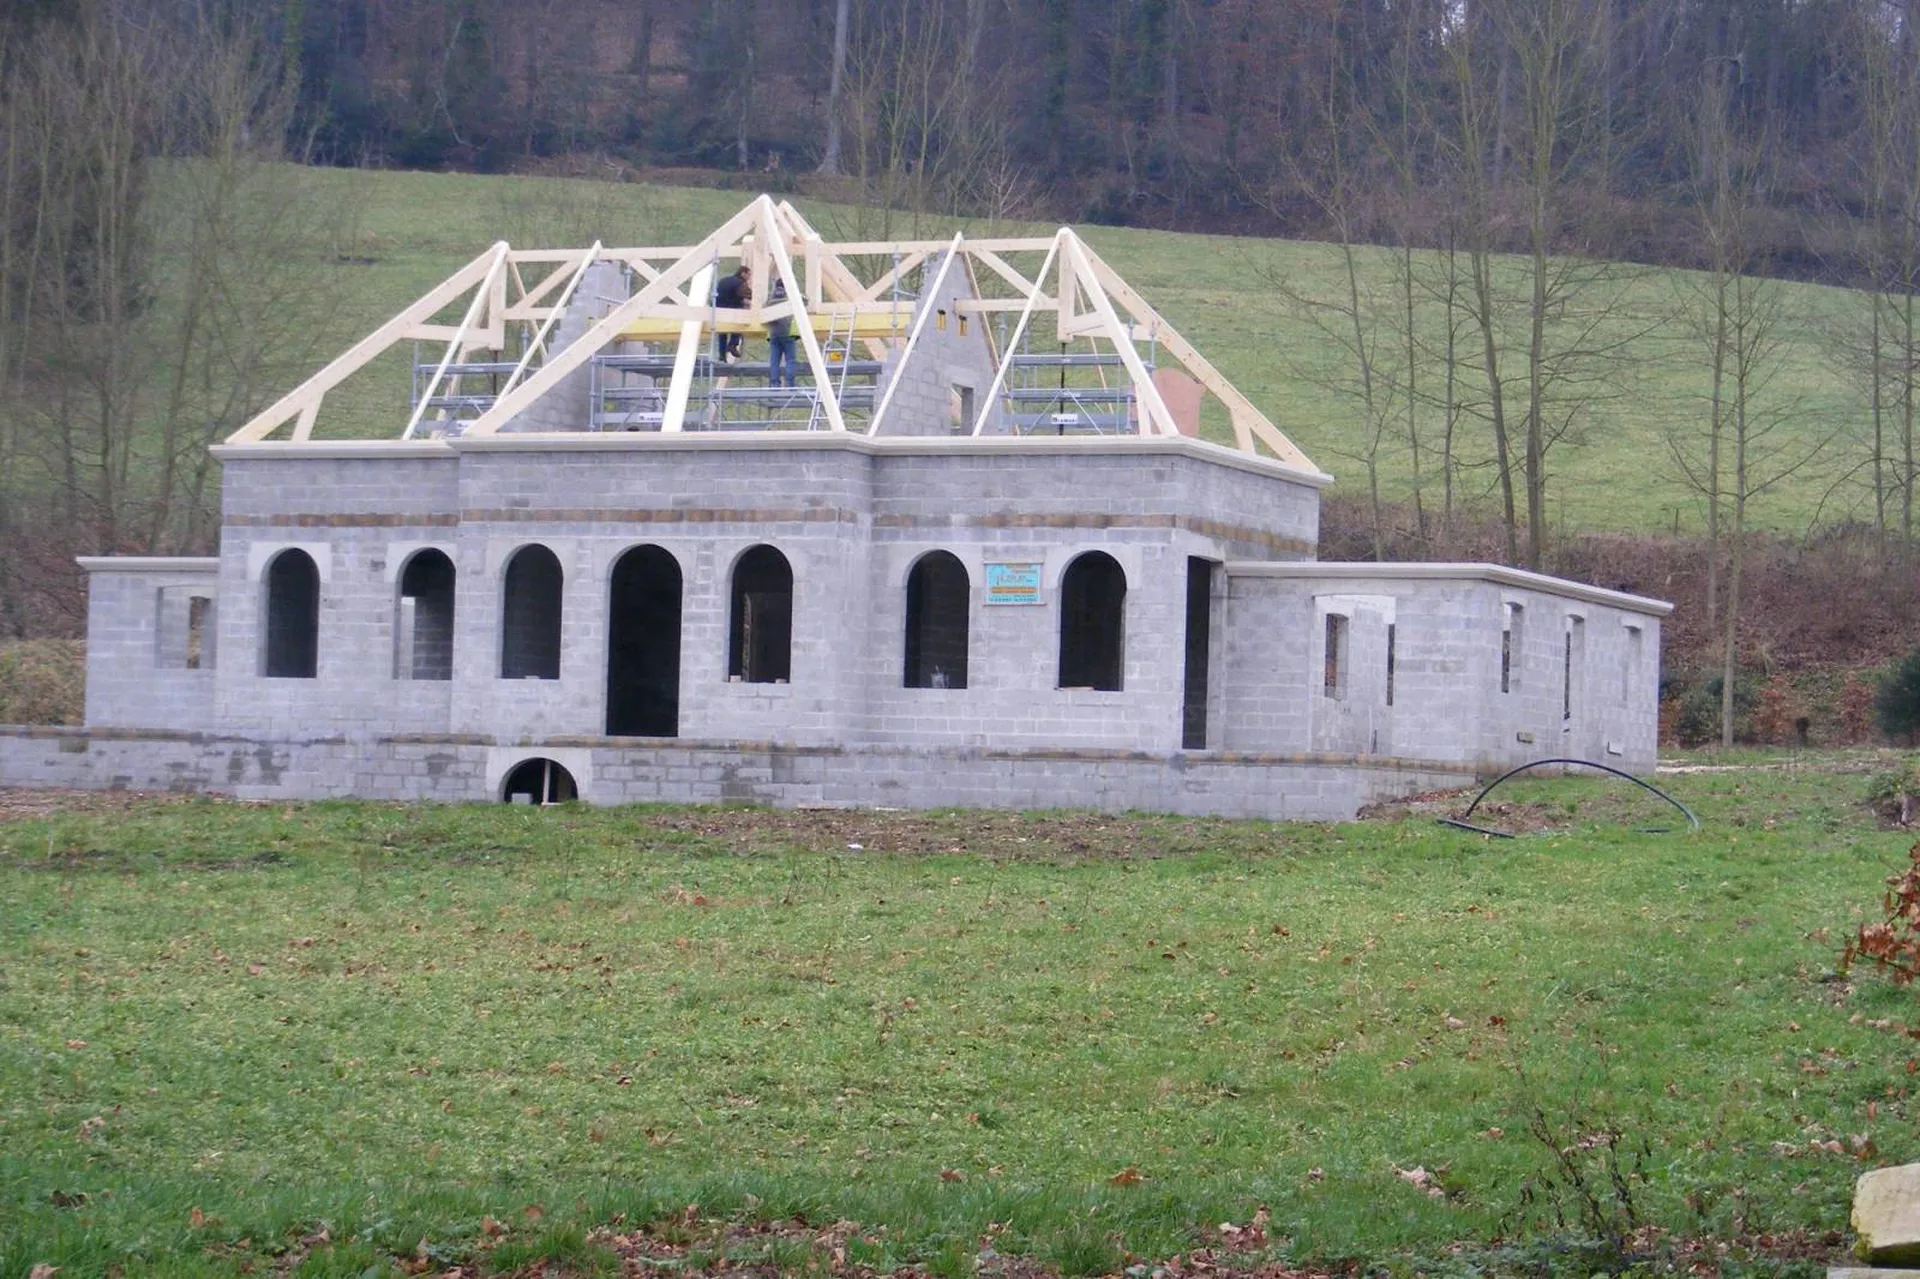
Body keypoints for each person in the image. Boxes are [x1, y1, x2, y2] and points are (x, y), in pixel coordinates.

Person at [713, 264, 750, 362]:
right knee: (739, 325)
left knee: (722, 333)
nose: (749, 278)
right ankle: (733, 344)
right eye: (748, 275)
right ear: (743, 273)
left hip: (719, 310)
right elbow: (748, 295)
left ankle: (722, 356)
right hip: (732, 310)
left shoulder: (723, 280)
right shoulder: (740, 283)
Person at [765, 278, 797, 388]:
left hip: (774, 333)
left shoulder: (770, 299)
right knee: (790, 360)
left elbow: (764, 312)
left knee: (774, 361)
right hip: (787, 333)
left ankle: (774, 383)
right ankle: (789, 384)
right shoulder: (789, 297)